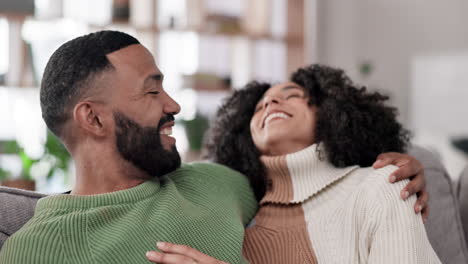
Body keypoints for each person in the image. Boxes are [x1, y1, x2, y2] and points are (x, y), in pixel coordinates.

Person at [0, 31, 425, 264]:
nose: (175, 106)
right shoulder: (36, 249)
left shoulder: (217, 183)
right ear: (93, 118)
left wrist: (386, 166)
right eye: (152, 92)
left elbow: (302, 187)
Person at [148, 65, 439, 264]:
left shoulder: (381, 187)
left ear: (331, 113)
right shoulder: (238, 216)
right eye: (260, 106)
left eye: (292, 95)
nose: (272, 101)